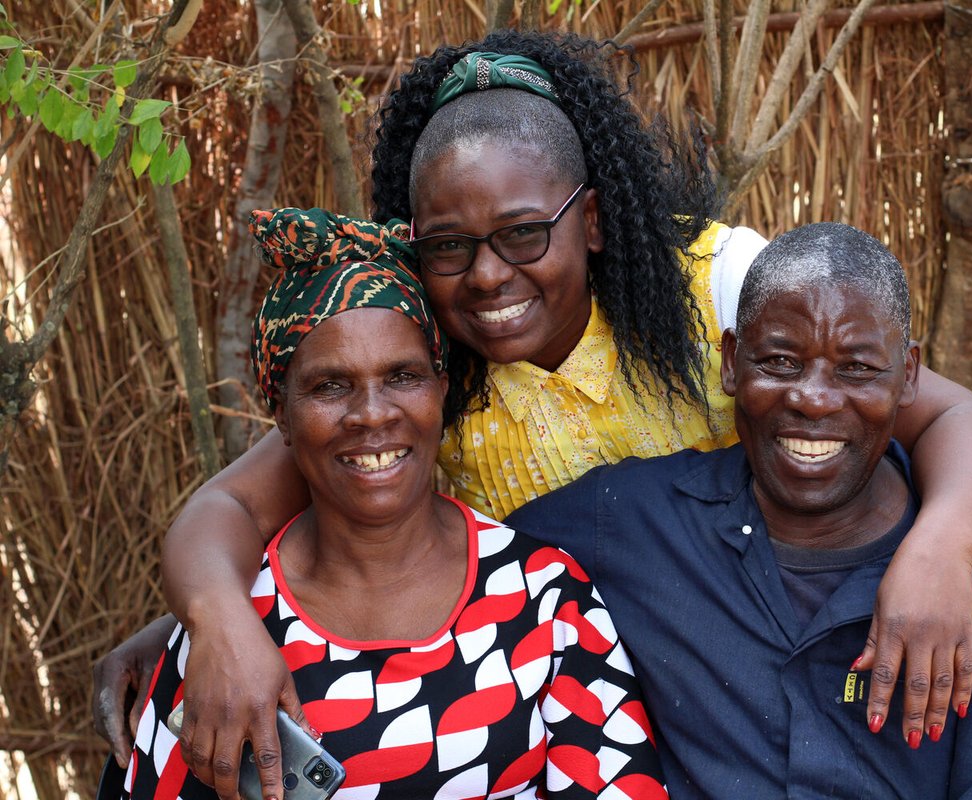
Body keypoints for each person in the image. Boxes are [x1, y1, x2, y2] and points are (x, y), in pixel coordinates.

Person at [94, 30, 972, 799]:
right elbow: (229, 512)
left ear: (596, 219)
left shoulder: (715, 291)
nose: (489, 275)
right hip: (569, 692)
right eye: (450, 246)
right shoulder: (421, 377)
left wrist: (938, 552)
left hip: (760, 678)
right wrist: (213, 622)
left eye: (525, 233)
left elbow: (949, 420)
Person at [505, 222, 972, 798]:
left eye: (856, 369)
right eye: (781, 361)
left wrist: (940, 557)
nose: (813, 398)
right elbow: (463, 561)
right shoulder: (630, 524)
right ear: (732, 362)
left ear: (907, 376)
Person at [121, 211, 667, 800]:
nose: (372, 414)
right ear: (280, 414)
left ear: (441, 388)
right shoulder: (230, 633)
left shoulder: (544, 598)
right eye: (330, 386)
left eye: (402, 376)